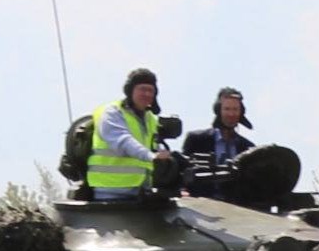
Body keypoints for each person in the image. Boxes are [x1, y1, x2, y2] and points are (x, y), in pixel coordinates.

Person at [88, 68, 174, 199]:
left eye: (150, 90)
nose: (146, 94)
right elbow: (123, 141)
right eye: (142, 89)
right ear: (130, 90)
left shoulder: (150, 118)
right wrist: (151, 156)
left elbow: (153, 145)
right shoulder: (112, 112)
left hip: (140, 189)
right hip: (111, 191)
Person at [183, 87, 255, 165]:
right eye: (227, 109)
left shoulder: (248, 148)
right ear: (218, 110)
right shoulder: (196, 140)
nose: (231, 114)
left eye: (235, 109)